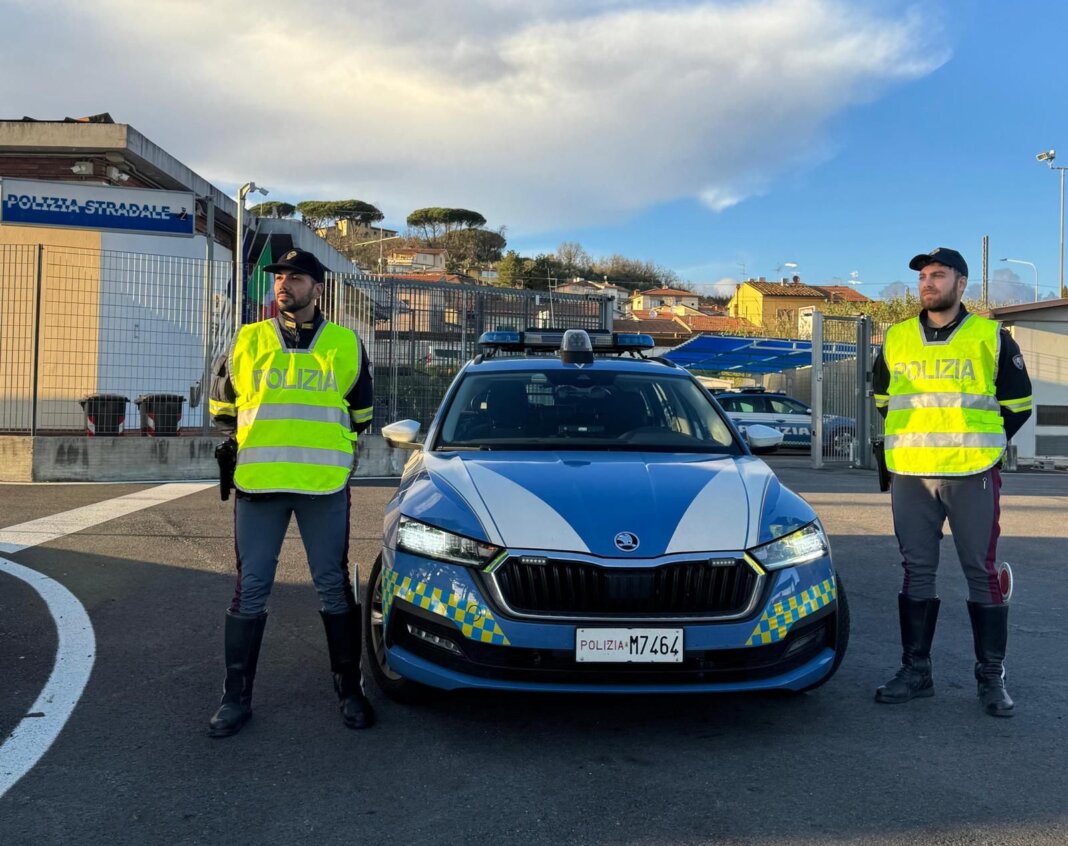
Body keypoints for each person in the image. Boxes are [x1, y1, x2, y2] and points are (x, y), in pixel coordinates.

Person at [206, 248, 375, 736]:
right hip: (260, 485)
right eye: (278, 276)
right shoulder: (246, 339)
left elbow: (363, 414)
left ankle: (350, 691)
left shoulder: (345, 343)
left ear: (317, 287)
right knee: (251, 588)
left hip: (322, 486)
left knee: (332, 585)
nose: (283, 284)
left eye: (296, 277)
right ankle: (234, 698)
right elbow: (221, 407)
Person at [872, 247, 1032, 717]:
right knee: (915, 570)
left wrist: (979, 445)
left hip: (972, 471)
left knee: (980, 573)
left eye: (937, 275)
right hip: (911, 474)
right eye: (923, 276)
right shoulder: (897, 337)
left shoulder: (990, 336)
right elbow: (883, 398)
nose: (927, 283)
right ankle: (916, 672)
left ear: (961, 284)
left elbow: (1018, 406)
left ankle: (990, 678)